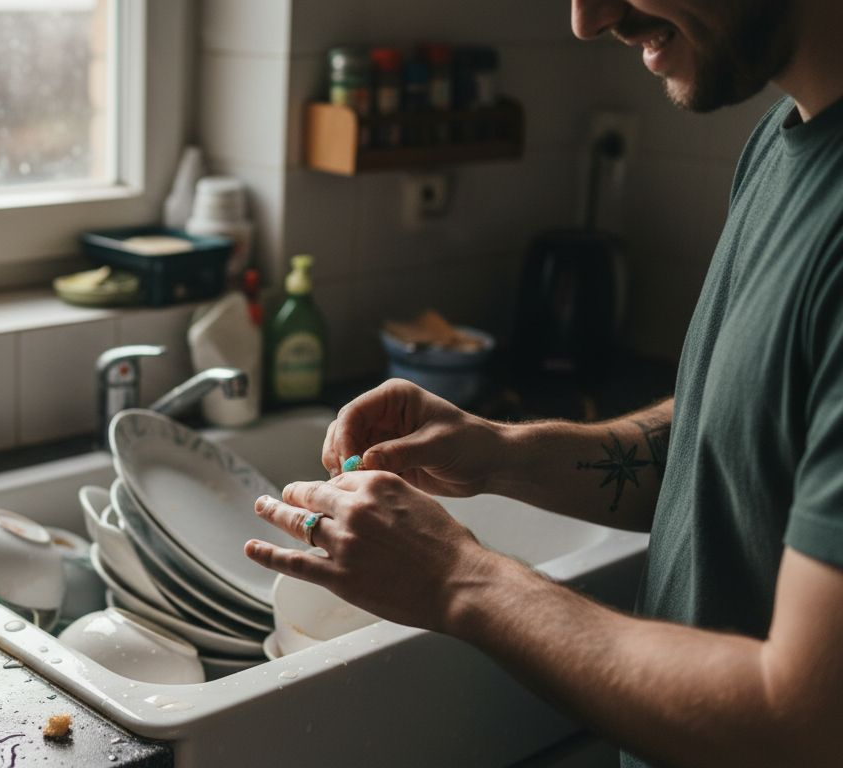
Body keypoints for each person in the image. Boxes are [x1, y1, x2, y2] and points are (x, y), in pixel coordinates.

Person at [244, 1, 843, 766]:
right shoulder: (781, 142)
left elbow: (803, 722)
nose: (588, 20)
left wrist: (459, 579)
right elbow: (723, 446)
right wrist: (500, 452)